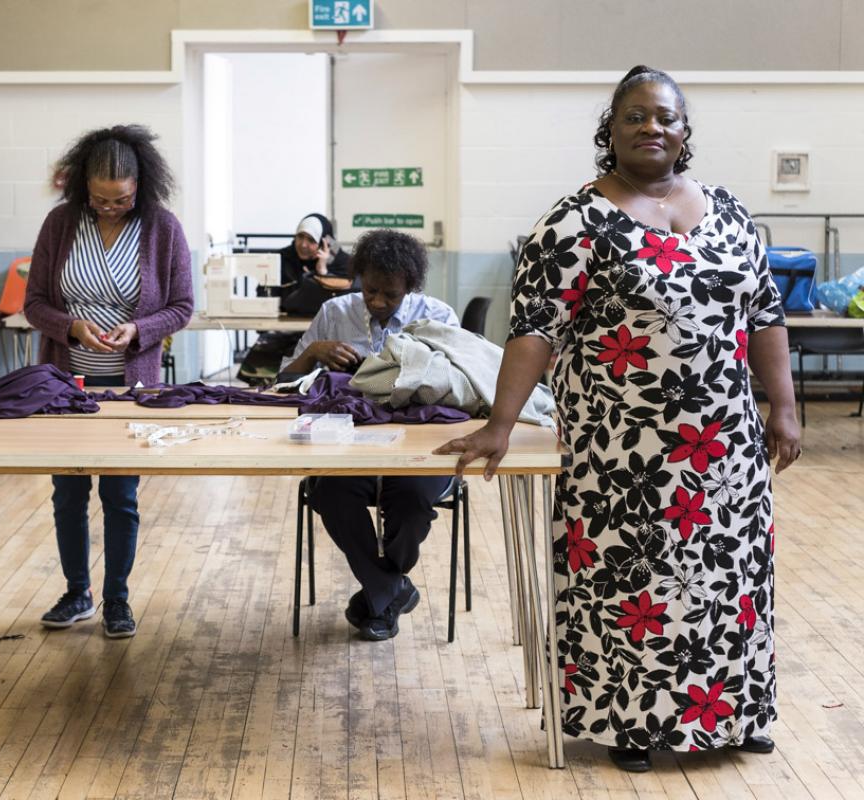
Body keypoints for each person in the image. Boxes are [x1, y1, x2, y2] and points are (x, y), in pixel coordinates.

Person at [433, 66, 800, 771]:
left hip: (723, 448)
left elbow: (765, 315)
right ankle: (630, 721)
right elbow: (533, 330)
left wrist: (781, 408)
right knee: (633, 586)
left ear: (685, 131)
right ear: (611, 130)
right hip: (622, 451)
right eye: (634, 116)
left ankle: (734, 710)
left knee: (731, 580)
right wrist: (501, 424)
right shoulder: (572, 222)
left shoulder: (730, 215)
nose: (651, 127)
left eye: (664, 116)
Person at [24, 125, 193, 638]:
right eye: (98, 198)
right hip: (67, 387)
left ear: (140, 186)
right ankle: (78, 592)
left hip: (128, 388)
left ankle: (117, 598)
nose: (109, 207)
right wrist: (71, 326)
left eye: (120, 198)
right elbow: (34, 304)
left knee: (120, 495)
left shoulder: (162, 228)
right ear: (81, 188)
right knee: (68, 494)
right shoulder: (59, 224)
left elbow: (183, 306)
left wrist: (139, 329)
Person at [286, 229, 458, 640]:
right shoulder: (334, 313)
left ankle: (380, 595)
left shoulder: (437, 318)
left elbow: (462, 387)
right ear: (359, 277)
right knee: (328, 493)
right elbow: (286, 381)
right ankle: (390, 591)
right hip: (348, 443)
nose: (378, 301)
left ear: (410, 288)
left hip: (422, 445)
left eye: (391, 295)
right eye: (371, 290)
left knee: (413, 501)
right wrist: (313, 354)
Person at [237, 213, 353, 385]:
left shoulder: (343, 263)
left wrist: (322, 272)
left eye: (311, 240)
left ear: (324, 242)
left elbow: (340, 301)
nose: (303, 245)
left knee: (309, 373)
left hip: (326, 332)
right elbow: (264, 292)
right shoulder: (281, 258)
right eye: (300, 237)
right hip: (286, 328)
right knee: (263, 362)